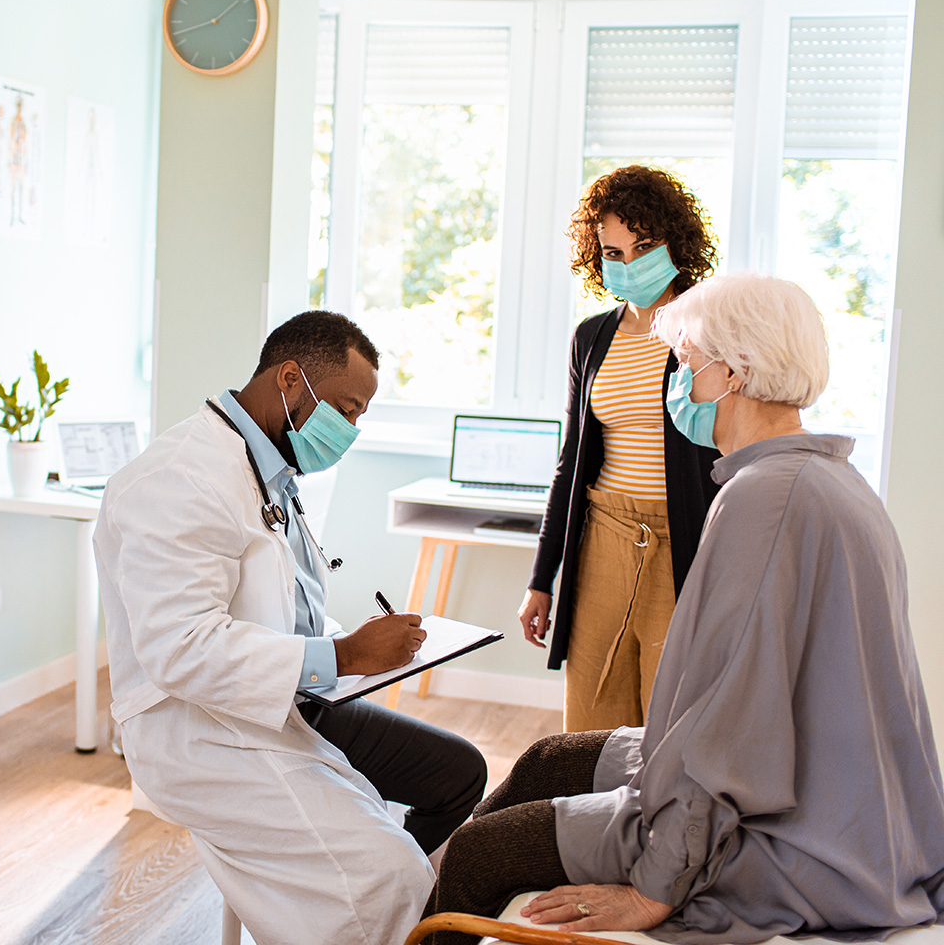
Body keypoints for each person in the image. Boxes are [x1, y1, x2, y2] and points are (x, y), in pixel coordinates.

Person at [421, 273, 944, 945]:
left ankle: (418, 916)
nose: (679, 382)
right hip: (833, 797)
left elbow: (728, 729)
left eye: (687, 364)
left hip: (795, 835)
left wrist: (653, 886)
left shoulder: (766, 500)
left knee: (481, 854)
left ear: (734, 372)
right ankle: (414, 895)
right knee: (547, 759)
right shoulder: (827, 478)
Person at [94, 310, 487, 945]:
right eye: (347, 409)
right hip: (197, 728)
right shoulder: (181, 478)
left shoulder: (268, 467)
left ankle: (371, 897)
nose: (351, 430)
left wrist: (349, 645)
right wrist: (345, 654)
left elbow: (280, 605)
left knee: (457, 775)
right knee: (386, 872)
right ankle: (375, 901)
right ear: (290, 379)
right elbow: (180, 649)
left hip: (284, 702)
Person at [520, 165, 721, 732]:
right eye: (614, 251)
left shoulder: (711, 329)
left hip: (682, 542)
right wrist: (541, 579)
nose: (630, 264)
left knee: (672, 718)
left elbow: (729, 455)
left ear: (676, 243)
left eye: (645, 246)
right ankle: (592, 822)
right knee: (591, 714)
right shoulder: (591, 338)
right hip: (603, 539)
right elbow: (571, 466)